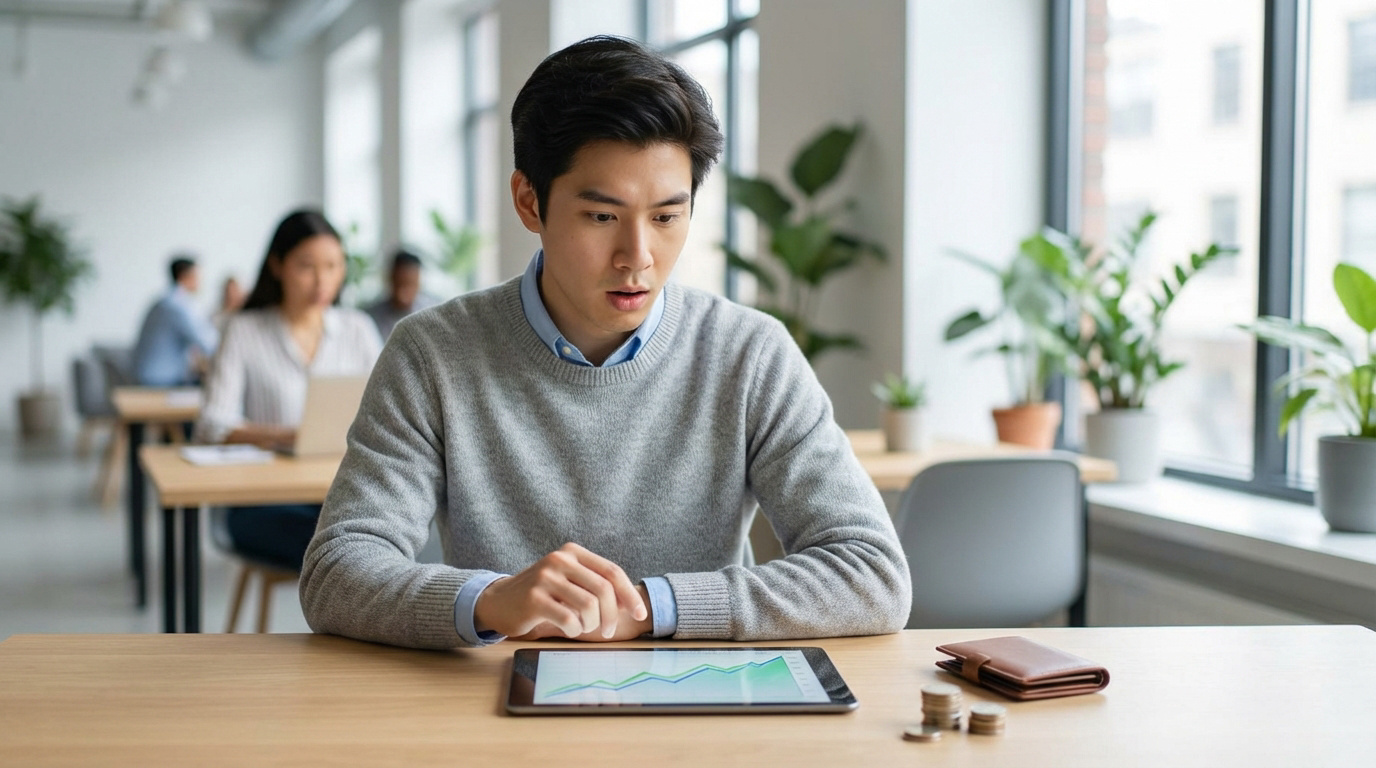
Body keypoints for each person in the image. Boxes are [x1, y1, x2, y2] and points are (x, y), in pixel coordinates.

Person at [299, 36, 910, 650]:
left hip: (704, 714)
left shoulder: (749, 354)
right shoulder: (433, 354)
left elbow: (872, 574)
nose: (637, 257)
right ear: (529, 201)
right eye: (601, 216)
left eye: (667, 217)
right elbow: (335, 571)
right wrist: (490, 602)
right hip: (499, 721)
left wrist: (650, 608)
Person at [197, 209, 382, 570]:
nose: (322, 281)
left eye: (333, 266)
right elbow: (211, 423)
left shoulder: (356, 328)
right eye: (306, 266)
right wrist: (289, 436)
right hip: (263, 501)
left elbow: (388, 409)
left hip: (340, 492)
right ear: (277, 265)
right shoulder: (242, 330)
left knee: (367, 538)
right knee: (343, 548)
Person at [132, 255, 219, 386]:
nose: (201, 281)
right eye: (197, 276)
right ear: (185, 276)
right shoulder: (179, 305)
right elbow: (208, 343)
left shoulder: (163, 301)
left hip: (148, 375)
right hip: (160, 381)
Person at [364, 249, 441, 339]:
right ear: (390, 279)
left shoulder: (433, 314)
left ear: (419, 282)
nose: (402, 294)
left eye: (409, 285)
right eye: (399, 284)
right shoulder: (371, 317)